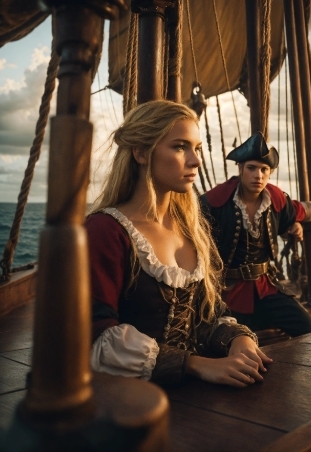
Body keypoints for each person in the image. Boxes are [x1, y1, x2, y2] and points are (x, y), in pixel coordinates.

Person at [86, 100, 272, 388]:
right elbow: (95, 335)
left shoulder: (191, 229)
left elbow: (207, 313)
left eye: (196, 148)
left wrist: (238, 339)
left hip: (193, 393)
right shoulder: (105, 231)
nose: (196, 160)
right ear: (141, 153)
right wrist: (195, 365)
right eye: (180, 146)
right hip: (124, 400)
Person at [200, 132, 311, 338]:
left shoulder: (276, 198)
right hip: (226, 291)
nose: (258, 175)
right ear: (240, 169)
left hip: (266, 287)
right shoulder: (214, 202)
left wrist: (295, 224)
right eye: (252, 168)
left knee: (307, 328)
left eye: (264, 169)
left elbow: (295, 213)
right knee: (228, 340)